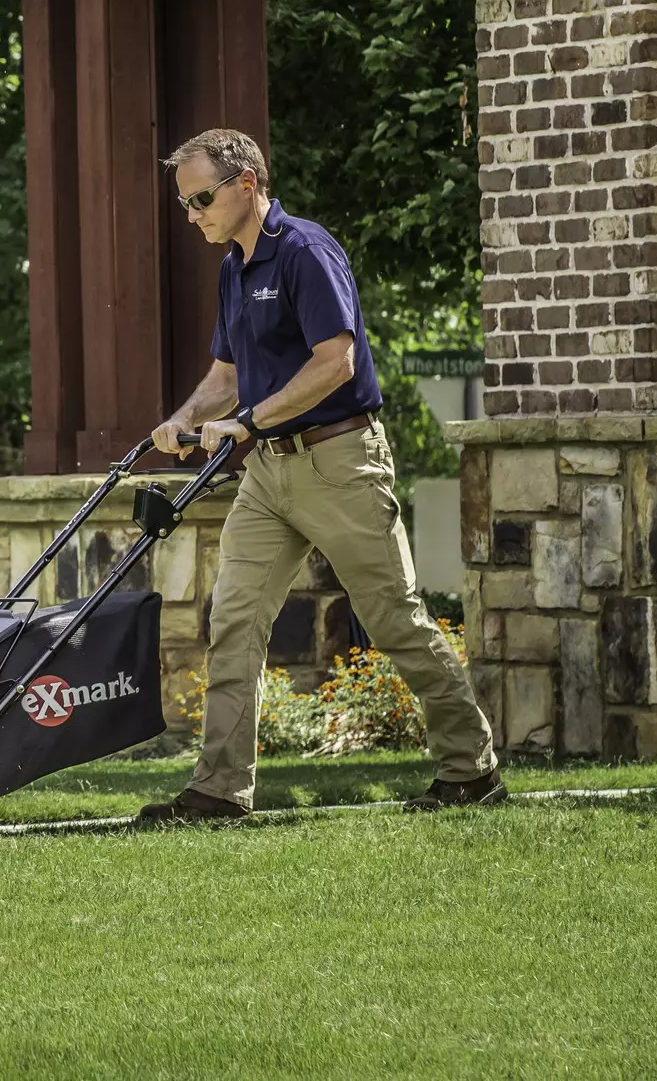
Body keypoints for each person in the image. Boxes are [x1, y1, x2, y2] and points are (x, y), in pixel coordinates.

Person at [137, 128, 502, 824]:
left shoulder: (305, 250)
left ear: (247, 182)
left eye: (202, 198)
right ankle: (218, 791)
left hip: (340, 461)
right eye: (185, 205)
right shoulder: (233, 269)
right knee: (235, 618)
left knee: (395, 619)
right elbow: (228, 375)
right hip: (269, 472)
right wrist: (181, 420)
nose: (193, 215)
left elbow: (335, 360)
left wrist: (245, 423)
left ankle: (471, 767)